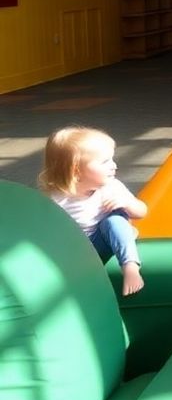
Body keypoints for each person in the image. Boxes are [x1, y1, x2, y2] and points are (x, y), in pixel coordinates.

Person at [39, 125, 148, 296]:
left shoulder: (111, 188)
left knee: (114, 219)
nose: (114, 166)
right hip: (78, 247)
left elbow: (142, 212)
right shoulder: (56, 198)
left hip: (103, 239)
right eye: (105, 162)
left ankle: (130, 266)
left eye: (112, 159)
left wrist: (126, 203)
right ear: (76, 171)